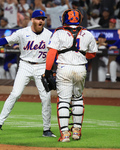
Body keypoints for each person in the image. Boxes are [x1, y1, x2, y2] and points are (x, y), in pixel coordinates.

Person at [0, 10, 56, 137]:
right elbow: (7, 39)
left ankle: (46, 130)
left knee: (46, 98)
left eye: (43, 19)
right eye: (38, 18)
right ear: (32, 20)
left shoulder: (50, 35)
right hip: (25, 66)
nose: (41, 21)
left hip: (41, 67)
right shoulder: (22, 33)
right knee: (15, 94)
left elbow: (56, 50)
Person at [44, 9, 98, 142]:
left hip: (64, 68)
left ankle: (65, 134)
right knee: (78, 99)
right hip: (80, 68)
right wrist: (79, 54)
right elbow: (92, 54)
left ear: (64, 19)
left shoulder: (59, 32)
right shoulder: (87, 33)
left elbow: (51, 53)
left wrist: (47, 71)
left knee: (63, 101)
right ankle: (76, 131)